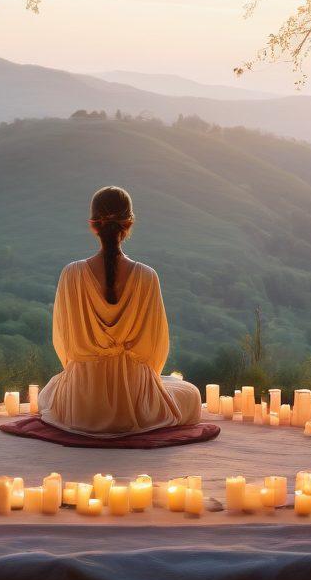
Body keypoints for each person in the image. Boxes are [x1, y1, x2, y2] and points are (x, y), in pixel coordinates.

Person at [38, 186, 202, 436]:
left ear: (93, 225)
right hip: (133, 399)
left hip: (82, 402)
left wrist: (86, 368)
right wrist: (138, 379)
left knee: (48, 393)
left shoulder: (71, 274)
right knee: (189, 392)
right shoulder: (147, 276)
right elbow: (155, 351)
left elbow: (65, 345)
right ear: (129, 224)